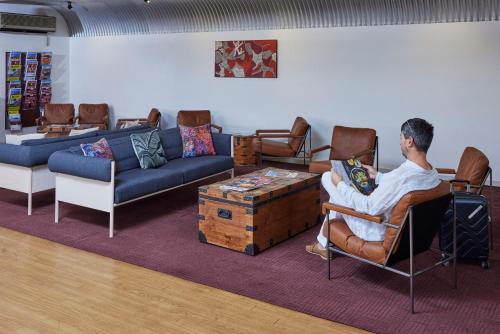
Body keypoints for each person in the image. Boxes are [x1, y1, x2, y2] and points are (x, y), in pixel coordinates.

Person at [306, 118, 441, 260]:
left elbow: (368, 207)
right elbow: (401, 184)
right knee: (338, 194)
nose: (400, 142)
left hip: (374, 227)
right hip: (408, 232)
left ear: (409, 141)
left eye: (401, 137)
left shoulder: (399, 177)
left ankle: (322, 244)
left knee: (328, 177)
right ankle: (322, 244)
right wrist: (377, 176)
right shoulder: (433, 174)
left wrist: (340, 184)